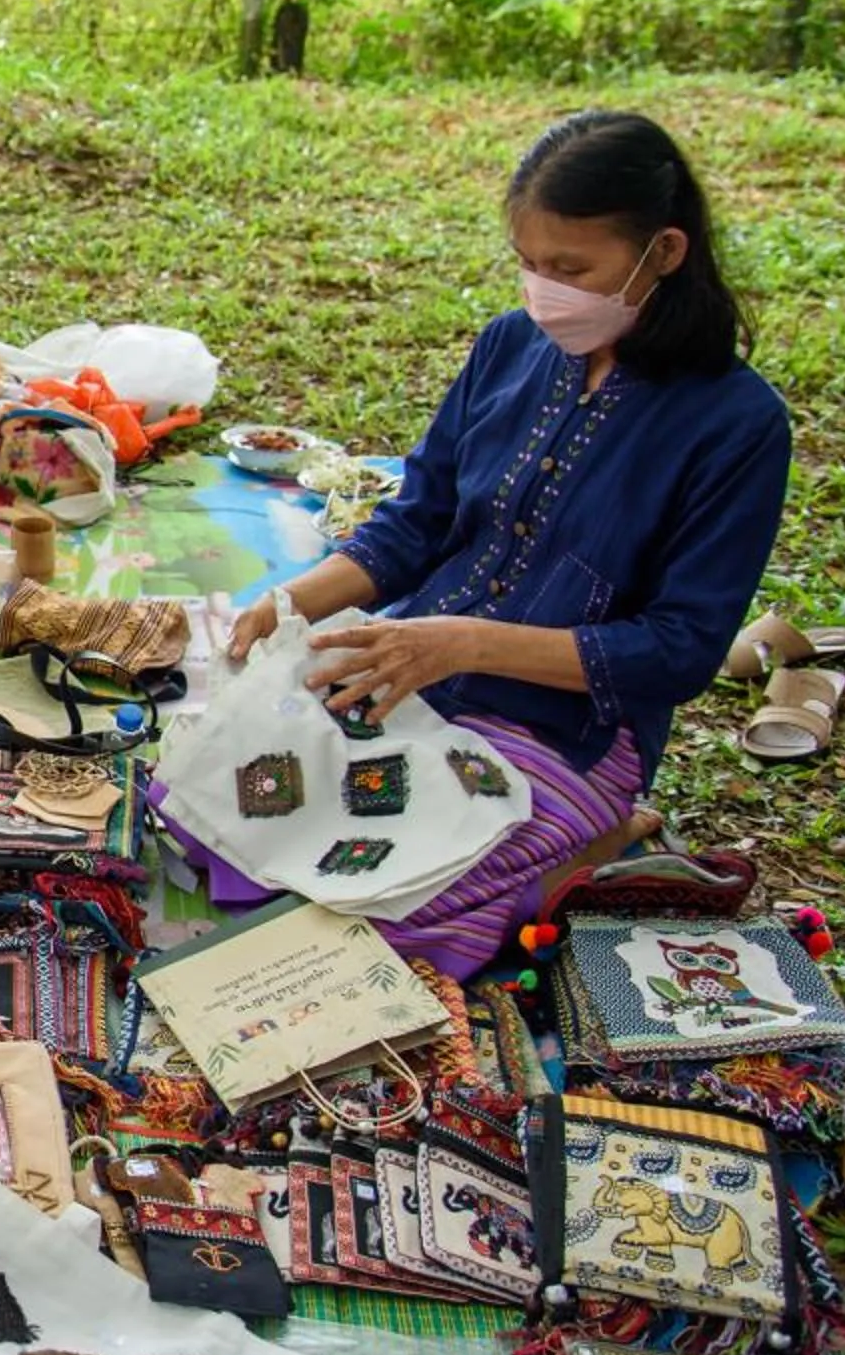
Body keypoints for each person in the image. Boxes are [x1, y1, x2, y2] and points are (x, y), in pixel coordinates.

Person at [172, 110, 793, 975]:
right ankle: (552, 859)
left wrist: (460, 641)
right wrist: (287, 603)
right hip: (407, 668)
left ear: (666, 254)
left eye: (571, 269)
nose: (545, 291)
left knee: (384, 916)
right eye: (530, 265)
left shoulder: (737, 425)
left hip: (568, 727)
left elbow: (682, 650)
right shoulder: (510, 347)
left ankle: (600, 833)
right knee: (209, 793)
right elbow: (419, 522)